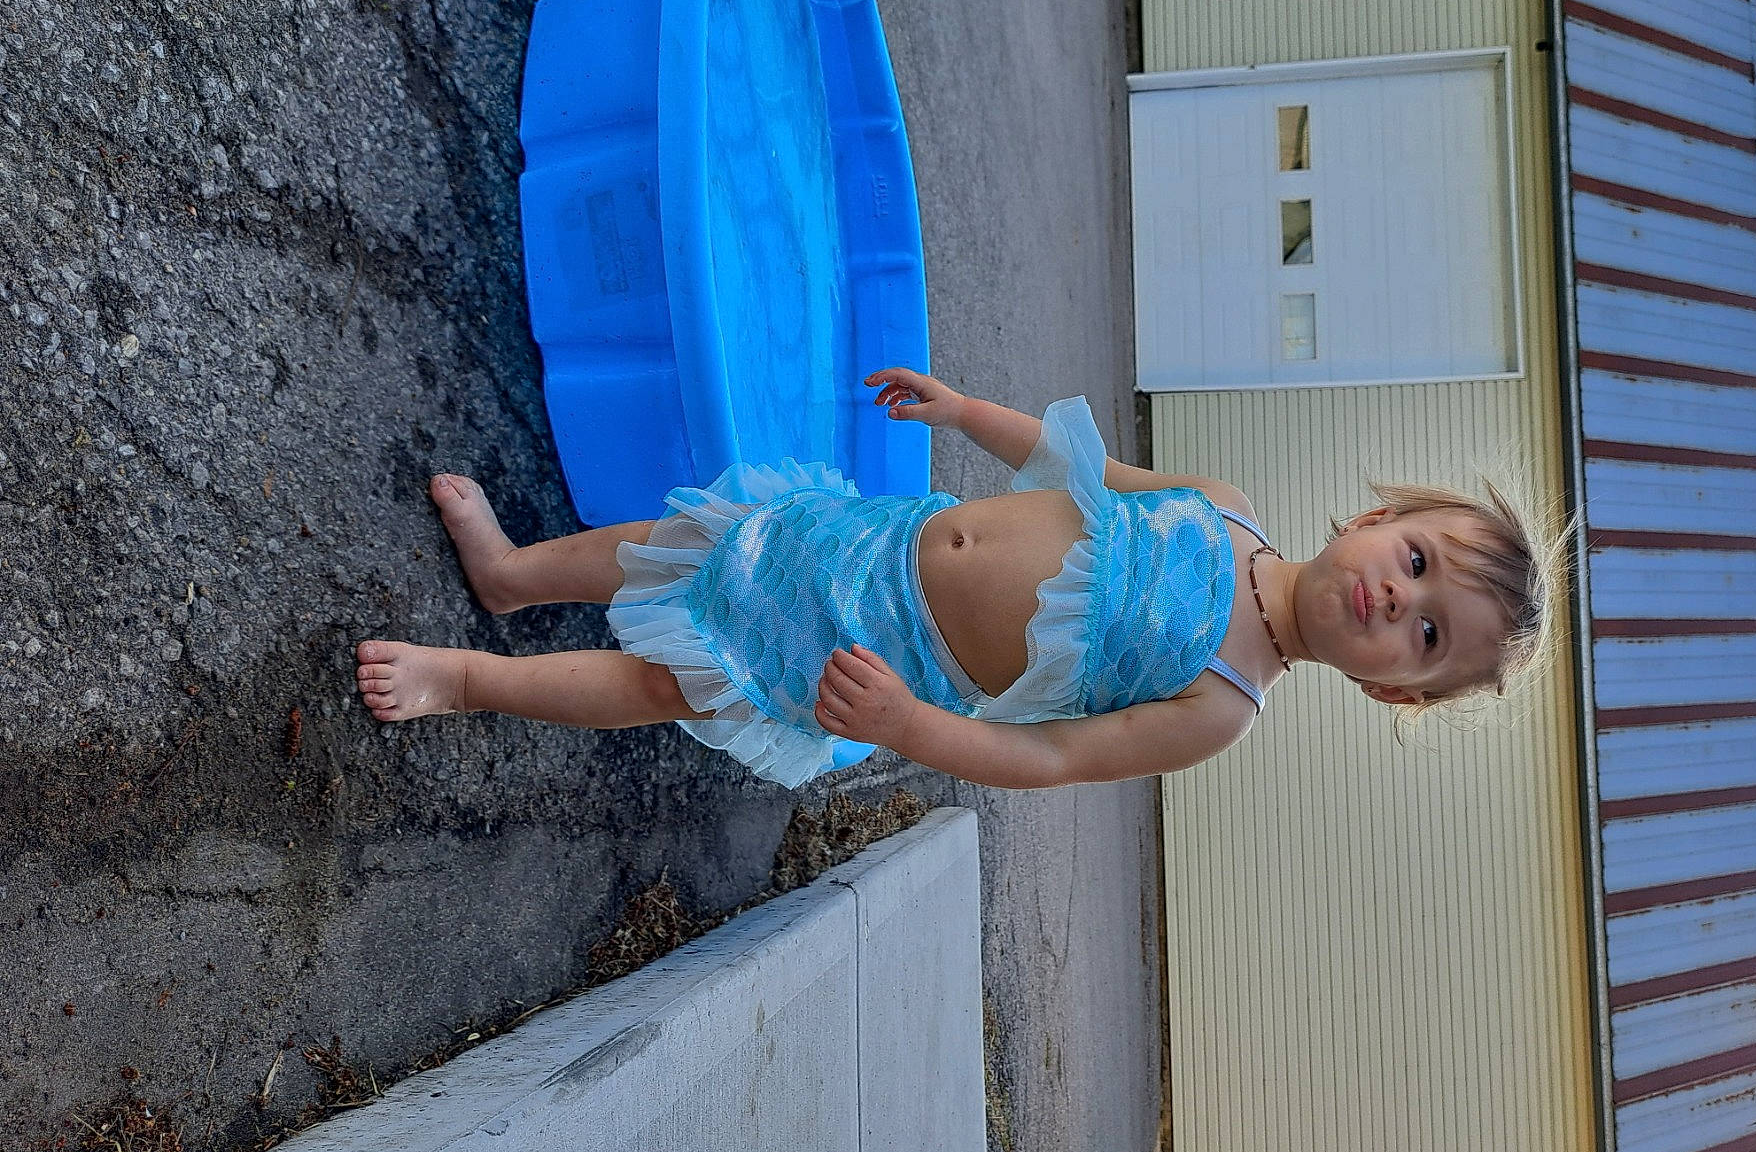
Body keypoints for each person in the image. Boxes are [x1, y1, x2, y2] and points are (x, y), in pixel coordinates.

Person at [353, 369, 1568, 788]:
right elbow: (1074, 464)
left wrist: (907, 725)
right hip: (878, 536)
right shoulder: (1226, 508)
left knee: (679, 680)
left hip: (891, 658)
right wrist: (960, 407)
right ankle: (514, 576)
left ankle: (470, 679)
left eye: (1422, 637)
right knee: (703, 545)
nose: (1393, 601)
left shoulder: (1218, 706)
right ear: (1377, 518)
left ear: (1390, 694)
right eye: (1414, 565)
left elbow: (1046, 759)